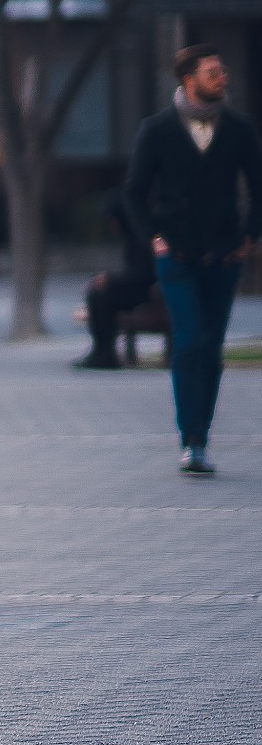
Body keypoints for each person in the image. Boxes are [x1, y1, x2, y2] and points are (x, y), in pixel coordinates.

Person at [124, 43, 262, 475]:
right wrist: (154, 239)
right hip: (176, 255)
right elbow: (133, 194)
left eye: (222, 72)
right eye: (213, 72)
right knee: (190, 341)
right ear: (190, 80)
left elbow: (259, 186)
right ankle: (192, 440)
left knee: (212, 346)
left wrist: (250, 237)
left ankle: (201, 436)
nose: (223, 78)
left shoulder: (238, 129)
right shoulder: (157, 129)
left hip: (224, 255)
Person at [73, 189, 156, 371]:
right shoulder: (132, 235)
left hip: (149, 289)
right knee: (97, 292)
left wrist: (110, 280)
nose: (111, 226)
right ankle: (101, 350)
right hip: (139, 286)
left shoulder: (141, 234)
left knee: (101, 293)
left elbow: (143, 273)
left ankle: (105, 353)